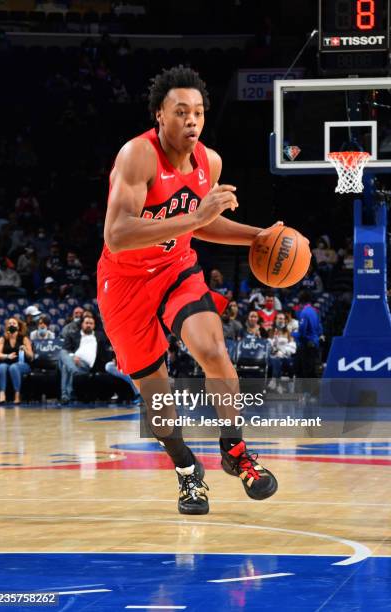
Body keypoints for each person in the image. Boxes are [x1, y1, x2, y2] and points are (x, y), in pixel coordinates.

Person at [97, 66, 279, 515]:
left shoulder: (208, 162)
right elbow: (116, 234)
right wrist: (195, 219)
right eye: (181, 112)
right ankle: (187, 472)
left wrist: (259, 236)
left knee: (212, 348)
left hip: (177, 267)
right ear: (160, 115)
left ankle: (235, 453)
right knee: (158, 400)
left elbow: (207, 223)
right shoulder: (137, 156)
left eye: (198, 111)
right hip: (125, 281)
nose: (191, 120)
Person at [58, 315, 107, 404]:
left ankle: (65, 395)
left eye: (91, 323)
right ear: (82, 324)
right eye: (86, 323)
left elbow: (104, 353)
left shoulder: (99, 336)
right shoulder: (73, 335)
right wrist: (73, 357)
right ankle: (66, 394)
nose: (88, 325)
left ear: (94, 325)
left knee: (65, 365)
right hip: (74, 361)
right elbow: (66, 349)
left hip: (87, 365)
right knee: (63, 354)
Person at [0, 317, 33, 404]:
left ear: (18, 327)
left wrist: (25, 350)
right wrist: (7, 356)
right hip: (7, 362)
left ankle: (17, 395)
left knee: (13, 367)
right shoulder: (2, 338)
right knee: (1, 367)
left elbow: (31, 356)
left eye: (14, 323)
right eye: (10, 323)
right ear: (7, 326)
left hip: (22, 364)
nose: (12, 325)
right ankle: (2, 394)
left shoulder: (24, 338)